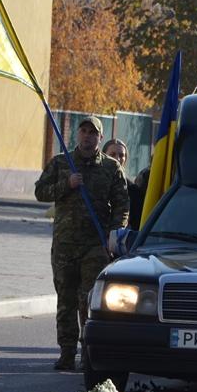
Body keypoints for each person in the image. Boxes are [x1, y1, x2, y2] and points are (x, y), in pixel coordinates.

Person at [35, 117, 129, 370]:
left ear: (100, 138)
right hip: (65, 245)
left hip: (94, 246)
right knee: (65, 300)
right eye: (84, 131)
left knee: (88, 301)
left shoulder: (110, 168)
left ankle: (89, 351)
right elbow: (40, 192)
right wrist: (66, 184)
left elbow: (121, 204)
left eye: (93, 133)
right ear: (78, 134)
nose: (87, 136)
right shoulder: (61, 162)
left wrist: (113, 235)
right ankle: (67, 352)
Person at [103, 138, 145, 228]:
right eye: (112, 154)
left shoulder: (134, 191)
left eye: (121, 155)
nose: (117, 158)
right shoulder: (95, 183)